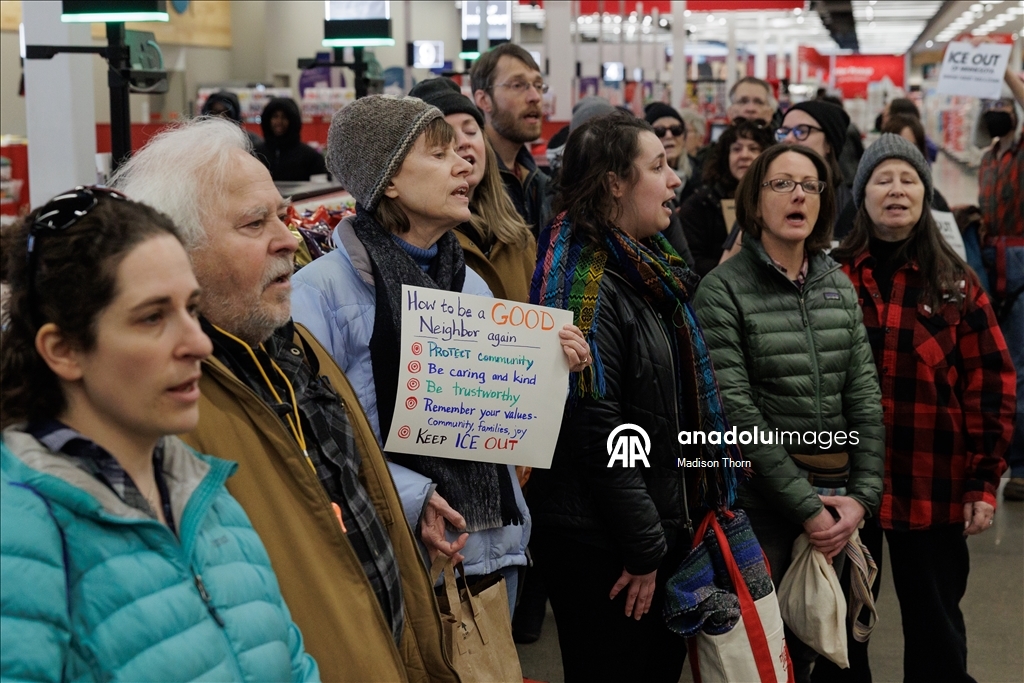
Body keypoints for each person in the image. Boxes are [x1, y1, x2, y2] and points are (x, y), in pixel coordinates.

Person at [110, 117, 459, 683]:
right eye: (254, 223)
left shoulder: (292, 348)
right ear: (174, 250)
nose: (289, 239)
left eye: (281, 215)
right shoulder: (163, 413)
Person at [0, 188, 317, 682]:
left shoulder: (204, 491)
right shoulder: (21, 532)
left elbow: (291, 663)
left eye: (191, 309)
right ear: (62, 350)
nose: (197, 343)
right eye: (153, 317)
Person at [290, 95, 591, 617]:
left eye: (461, 151)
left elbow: (494, 412)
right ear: (387, 181)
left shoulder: (469, 284)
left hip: (492, 551)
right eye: (437, 155)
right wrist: (412, 496)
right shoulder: (317, 294)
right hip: (399, 556)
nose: (465, 164)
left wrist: (553, 372)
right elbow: (314, 437)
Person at [528, 110, 743, 683]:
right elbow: (597, 430)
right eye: (659, 166)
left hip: (637, 528)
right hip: (603, 545)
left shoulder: (640, 268)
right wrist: (645, 551)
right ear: (614, 183)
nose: (675, 179)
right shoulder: (585, 283)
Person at [691, 145, 885, 683]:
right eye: (781, 184)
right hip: (760, 510)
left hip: (835, 501)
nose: (799, 194)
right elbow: (736, 412)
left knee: (816, 653)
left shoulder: (836, 285)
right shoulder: (722, 290)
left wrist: (862, 500)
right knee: (759, 656)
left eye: (810, 185)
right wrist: (807, 509)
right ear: (754, 200)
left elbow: (865, 398)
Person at [832, 134, 1016, 683]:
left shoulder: (957, 284)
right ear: (862, 195)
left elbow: (991, 385)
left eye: (908, 179)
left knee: (936, 629)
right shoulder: (830, 277)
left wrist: (984, 483)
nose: (896, 190)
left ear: (925, 195)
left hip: (931, 483)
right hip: (842, 483)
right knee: (835, 627)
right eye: (882, 179)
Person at [976, 66, 1024, 502]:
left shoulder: (1021, 152)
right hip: (991, 258)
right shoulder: (989, 156)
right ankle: (1001, 454)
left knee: (1021, 366)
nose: (997, 111)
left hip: (1021, 261)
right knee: (998, 359)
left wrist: (1004, 72)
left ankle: (1022, 464)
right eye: (991, 105)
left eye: (1003, 104)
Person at [471, 43, 551, 236]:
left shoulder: (537, 180)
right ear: (484, 100)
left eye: (538, 86)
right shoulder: (470, 183)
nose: (534, 97)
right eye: (517, 85)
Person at [679, 118, 773, 277]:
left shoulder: (778, 200)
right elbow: (690, 261)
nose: (744, 155)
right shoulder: (700, 203)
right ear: (725, 156)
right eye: (736, 149)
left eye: (753, 148)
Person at [776, 99, 855, 226]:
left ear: (829, 143)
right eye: (784, 132)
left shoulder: (847, 208)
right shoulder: (765, 190)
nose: (788, 138)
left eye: (802, 131)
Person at [881, 114, 951, 210]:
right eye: (900, 147)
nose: (907, 155)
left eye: (913, 147)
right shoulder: (870, 200)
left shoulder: (935, 200)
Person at [254, 97, 328, 182]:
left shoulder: (311, 158)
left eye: (284, 117)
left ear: (293, 121)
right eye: (275, 116)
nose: (279, 122)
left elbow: (320, 189)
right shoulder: (256, 154)